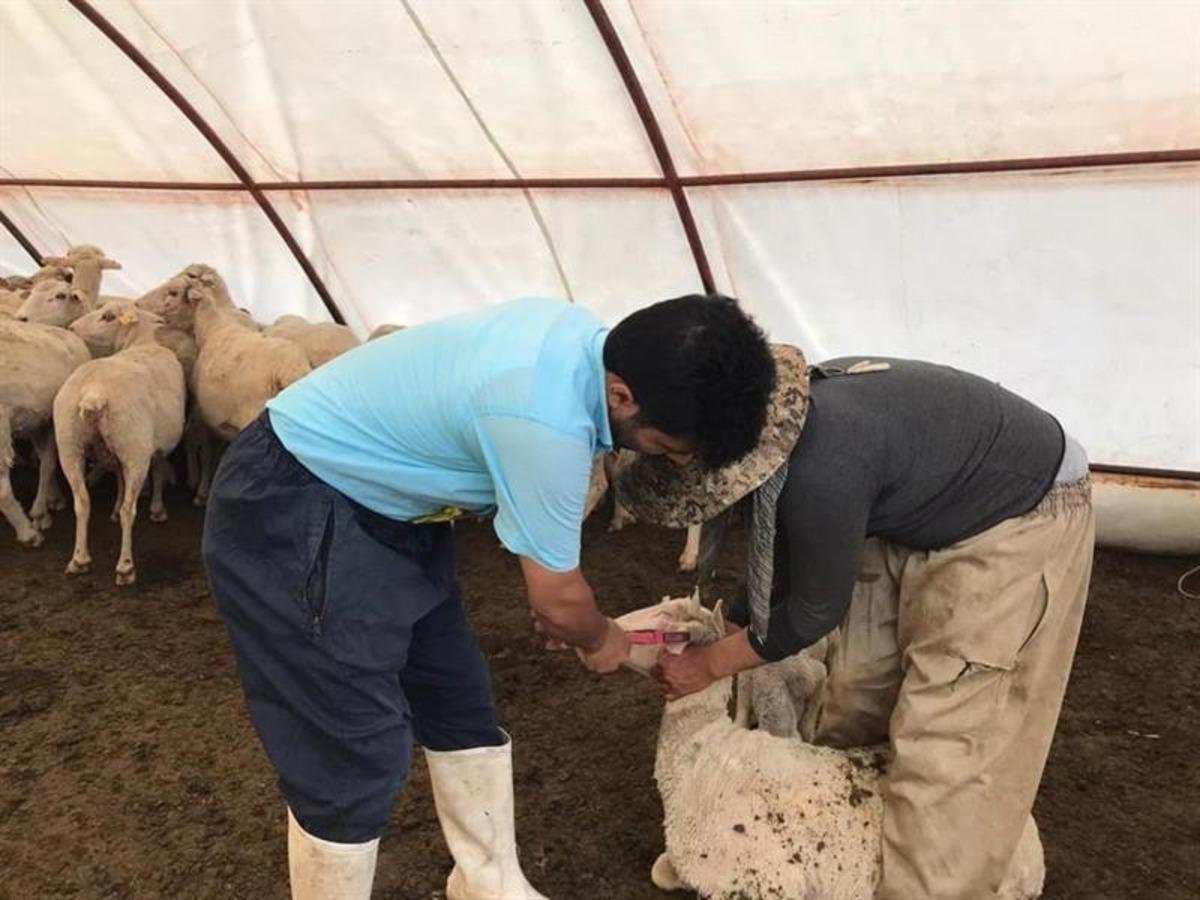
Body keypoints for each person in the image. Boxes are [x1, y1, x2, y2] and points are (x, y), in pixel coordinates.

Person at [200, 294, 775, 900]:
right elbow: (556, 599)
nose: (657, 457)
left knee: (459, 701)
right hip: (297, 502)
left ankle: (487, 882)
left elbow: (550, 582)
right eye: (661, 446)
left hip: (394, 507)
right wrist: (603, 640)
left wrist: (574, 614)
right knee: (353, 750)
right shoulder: (543, 419)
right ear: (622, 396)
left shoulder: (585, 340)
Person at [618, 349, 1094, 900]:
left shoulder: (822, 463)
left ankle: (929, 885)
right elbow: (781, 553)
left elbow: (814, 609)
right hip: (909, 509)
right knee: (857, 695)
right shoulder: (768, 439)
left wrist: (708, 665)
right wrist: (740, 623)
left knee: (946, 748)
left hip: (1013, 514)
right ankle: (842, 858)